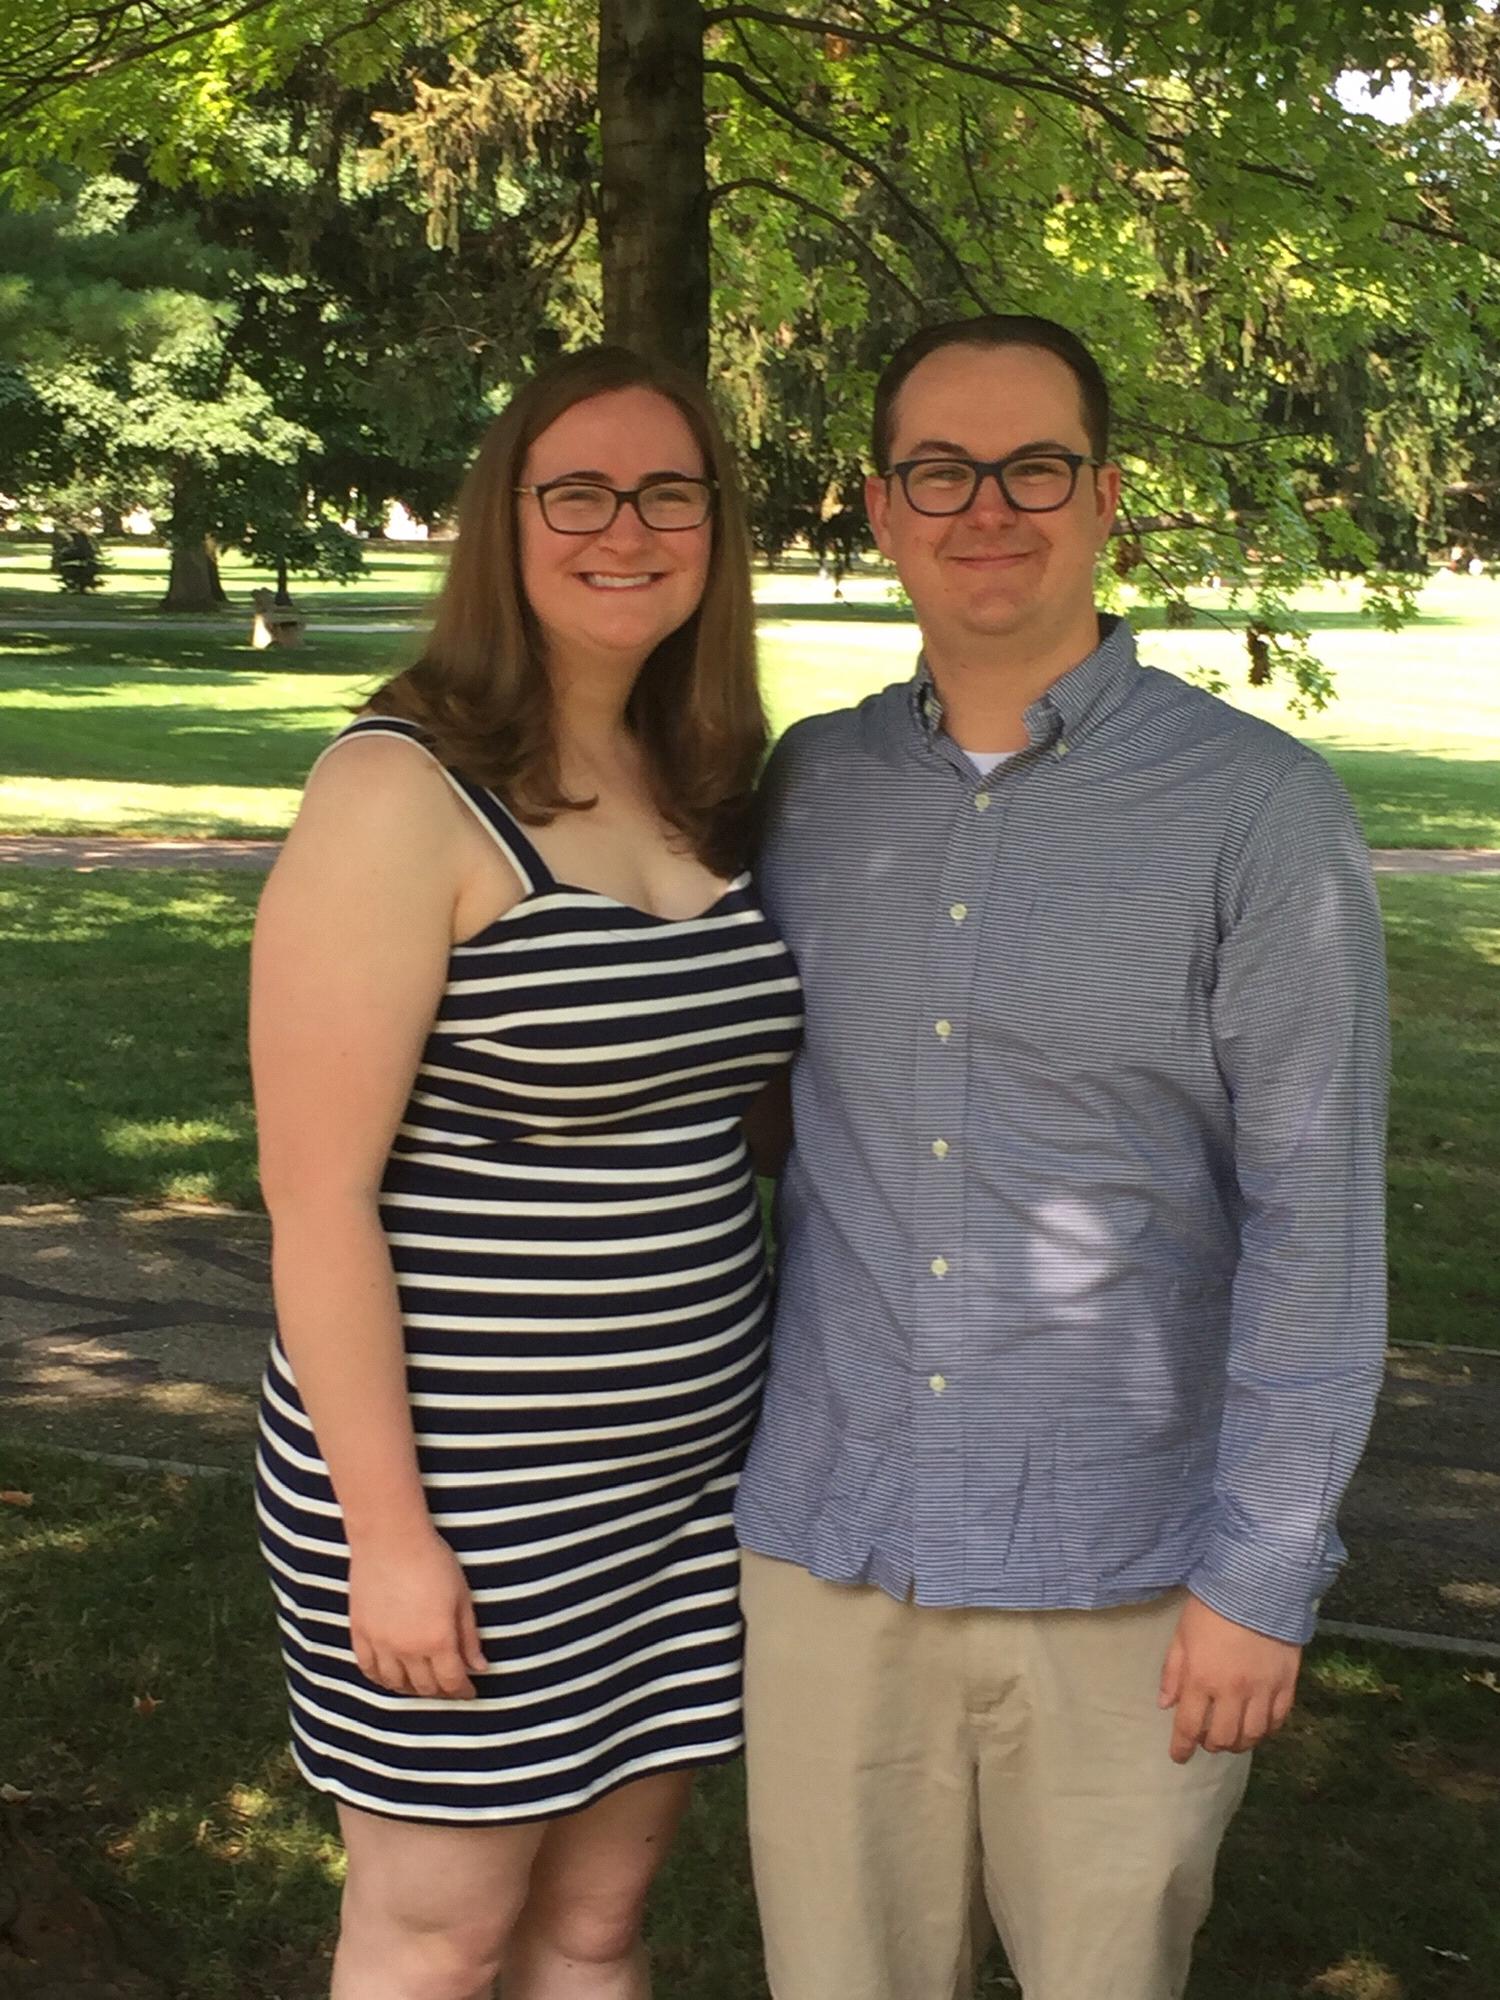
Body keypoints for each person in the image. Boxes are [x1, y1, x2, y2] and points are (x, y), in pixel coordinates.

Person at [736, 314, 1388, 2000]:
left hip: (1125, 1580)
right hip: (836, 1555)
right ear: (878, 510)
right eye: (938, 470)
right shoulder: (803, 795)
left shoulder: (1260, 812)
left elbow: (1316, 1221)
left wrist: (1263, 1569)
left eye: (1035, 465)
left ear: (1105, 497)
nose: (987, 506)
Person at [251, 345, 802, 2000]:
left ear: (715, 528)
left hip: (687, 1488)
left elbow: (738, 1108)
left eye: (669, 493)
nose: (625, 528)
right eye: (579, 491)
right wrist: (391, 1534)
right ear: (507, 520)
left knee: (591, 1931)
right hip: (468, 1502)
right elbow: (319, 1198)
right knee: (438, 1935)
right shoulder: (396, 791)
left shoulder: (698, 776)